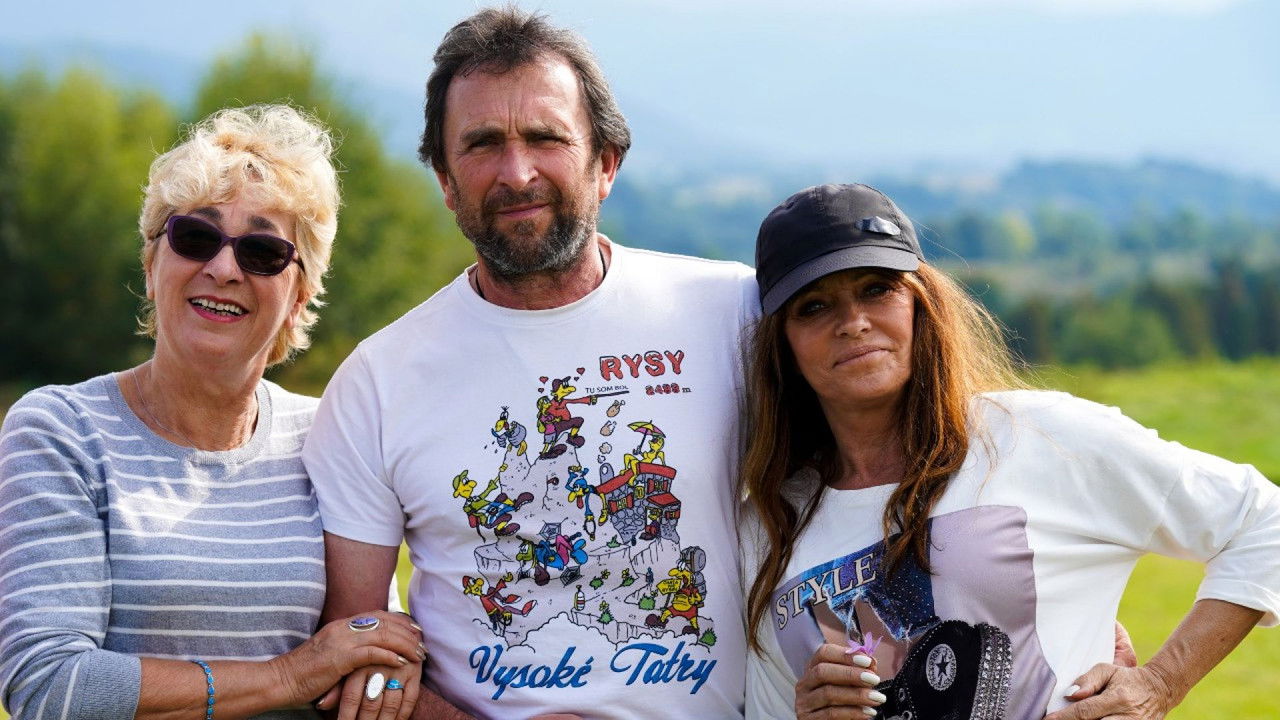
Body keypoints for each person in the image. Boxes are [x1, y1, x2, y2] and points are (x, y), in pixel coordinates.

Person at [303, 7, 756, 719]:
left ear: (605, 163)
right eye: (482, 144)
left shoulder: (733, 314)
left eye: (546, 137)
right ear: (445, 180)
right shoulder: (377, 382)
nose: (517, 174)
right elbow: (351, 655)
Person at [739, 183, 1280, 719]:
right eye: (814, 306)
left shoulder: (1041, 438)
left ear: (921, 303)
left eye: (878, 289)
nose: (853, 322)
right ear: (782, 345)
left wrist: (1161, 682)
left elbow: (1262, 520)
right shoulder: (768, 524)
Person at [0, 105, 425, 720]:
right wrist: (290, 674)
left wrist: (388, 663)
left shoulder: (334, 435)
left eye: (262, 251)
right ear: (152, 266)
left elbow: (371, 644)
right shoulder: (60, 430)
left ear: (300, 296)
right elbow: (49, 686)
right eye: (195, 238)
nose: (223, 269)